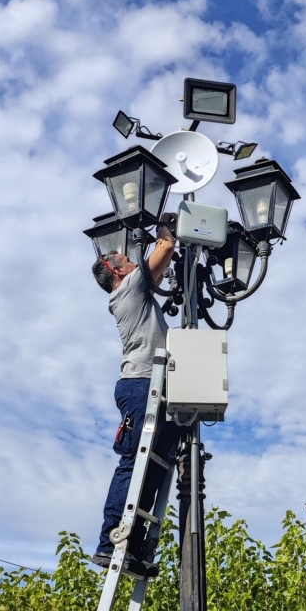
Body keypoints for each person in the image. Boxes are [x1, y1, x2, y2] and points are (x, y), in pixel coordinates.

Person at [90, 222, 184, 579]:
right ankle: (109, 540)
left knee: (158, 467)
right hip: (141, 384)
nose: (133, 262)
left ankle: (136, 544)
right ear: (117, 270)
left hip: (156, 384)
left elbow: (156, 268)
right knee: (134, 461)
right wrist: (167, 230)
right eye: (127, 259)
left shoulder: (136, 292)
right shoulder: (127, 289)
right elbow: (163, 253)